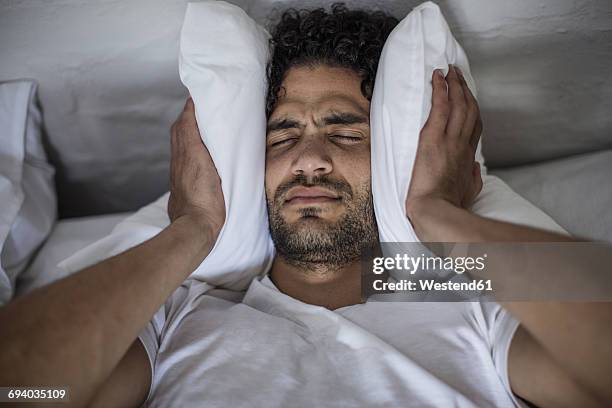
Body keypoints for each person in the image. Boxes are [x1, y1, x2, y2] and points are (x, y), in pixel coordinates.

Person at [0, 4, 610, 408]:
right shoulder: (185, 310)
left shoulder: (468, 307)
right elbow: (25, 389)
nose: (308, 158)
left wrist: (437, 214)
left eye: (346, 132)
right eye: (281, 135)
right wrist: (192, 227)